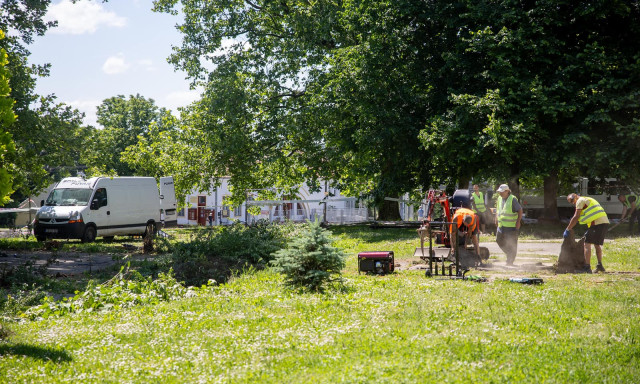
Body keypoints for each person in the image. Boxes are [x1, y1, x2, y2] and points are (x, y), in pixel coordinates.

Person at [564, 193, 609, 273]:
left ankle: (587, 268)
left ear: (575, 197)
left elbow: (576, 217)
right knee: (596, 244)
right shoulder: (587, 199)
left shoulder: (580, 201)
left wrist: (568, 229)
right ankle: (600, 265)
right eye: (570, 202)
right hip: (604, 222)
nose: (572, 203)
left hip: (596, 223)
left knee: (586, 244)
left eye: (572, 201)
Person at [494, 184, 523, 266]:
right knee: (498, 240)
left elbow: (520, 210)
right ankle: (509, 254)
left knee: (512, 243)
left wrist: (518, 222)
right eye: (499, 192)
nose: (500, 193)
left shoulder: (512, 199)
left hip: (511, 226)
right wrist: (496, 218)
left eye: (502, 192)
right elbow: (498, 210)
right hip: (501, 225)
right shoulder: (499, 198)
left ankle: (510, 260)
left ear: (507, 191)